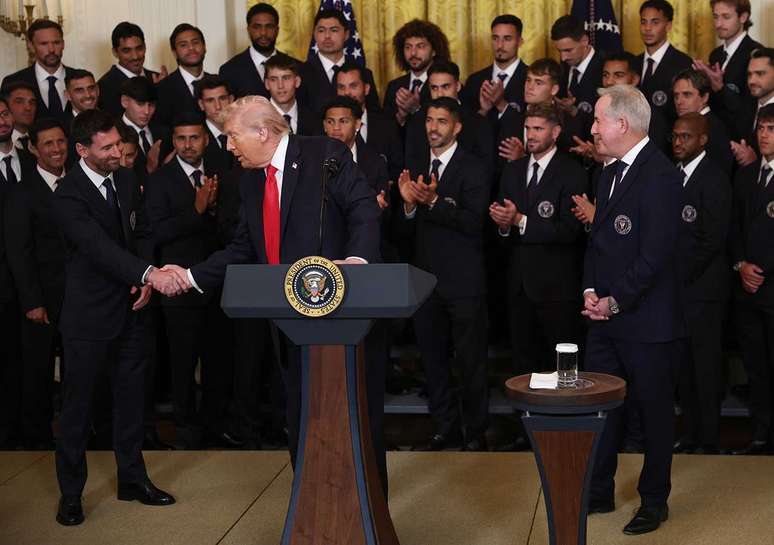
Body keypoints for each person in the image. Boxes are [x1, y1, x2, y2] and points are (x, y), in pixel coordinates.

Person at [153, 96, 382, 485]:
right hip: (287, 320)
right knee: (299, 414)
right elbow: (244, 247)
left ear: (262, 132)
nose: (228, 146)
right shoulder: (250, 181)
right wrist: (189, 276)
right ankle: (310, 504)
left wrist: (356, 264)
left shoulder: (324, 155)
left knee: (350, 418)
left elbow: (364, 210)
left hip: (341, 313)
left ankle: (364, 509)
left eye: (232, 136)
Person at [51, 109, 180, 526]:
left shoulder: (126, 177)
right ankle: (71, 494)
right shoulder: (67, 194)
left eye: (118, 144)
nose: (117, 153)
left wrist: (142, 278)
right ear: (82, 150)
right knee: (78, 409)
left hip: (131, 310)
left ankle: (132, 479)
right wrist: (148, 274)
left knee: (131, 401)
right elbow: (95, 247)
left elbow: (139, 232)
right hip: (88, 318)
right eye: (106, 148)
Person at [582, 84, 684, 535]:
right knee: (603, 406)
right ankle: (599, 490)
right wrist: (590, 291)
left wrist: (614, 300)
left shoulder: (659, 174)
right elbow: (598, 244)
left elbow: (655, 256)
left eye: (598, 120)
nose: (592, 129)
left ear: (621, 124)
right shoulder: (609, 172)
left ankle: (654, 501)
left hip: (646, 322)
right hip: (604, 321)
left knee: (653, 412)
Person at [396, 97, 489, 452]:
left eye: (441, 121)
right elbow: (402, 233)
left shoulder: (474, 167)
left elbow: (472, 222)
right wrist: (406, 204)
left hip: (464, 281)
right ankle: (444, 429)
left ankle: (475, 432)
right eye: (429, 120)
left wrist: (433, 203)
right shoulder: (415, 165)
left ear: (457, 127)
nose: (433, 127)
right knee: (432, 361)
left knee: (470, 362)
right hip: (424, 282)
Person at [144, 113, 239, 449]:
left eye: (194, 138)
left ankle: (215, 426)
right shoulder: (159, 180)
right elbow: (155, 232)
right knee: (182, 362)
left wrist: (212, 212)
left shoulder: (223, 174)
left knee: (219, 359)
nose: (187, 145)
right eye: (181, 138)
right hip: (178, 288)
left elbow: (233, 229)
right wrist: (196, 210)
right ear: (173, 141)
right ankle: (185, 430)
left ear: (206, 139)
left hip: (217, 284)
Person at [490, 102, 587, 377]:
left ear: (555, 132)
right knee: (523, 366)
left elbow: (570, 231)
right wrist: (503, 225)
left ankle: (561, 421)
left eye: (538, 129)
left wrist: (520, 221)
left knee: (559, 367)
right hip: (519, 287)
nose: (530, 135)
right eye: (527, 128)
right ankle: (526, 420)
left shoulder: (573, 172)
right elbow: (503, 232)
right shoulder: (513, 170)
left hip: (557, 290)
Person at [4, 118, 68, 450]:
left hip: (80, 299)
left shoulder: (80, 184)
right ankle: (36, 440)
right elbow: (19, 251)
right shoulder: (22, 192)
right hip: (41, 300)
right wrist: (32, 301)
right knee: (37, 374)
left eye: (60, 142)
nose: (56, 149)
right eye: (48, 144)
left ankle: (79, 434)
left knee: (80, 372)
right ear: (32, 149)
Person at [670, 113, 731, 455]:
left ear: (703, 140)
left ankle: (708, 439)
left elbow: (713, 240)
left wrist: (677, 275)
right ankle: (691, 434)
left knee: (705, 367)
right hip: (677, 292)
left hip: (704, 291)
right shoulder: (671, 175)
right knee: (685, 368)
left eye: (686, 137)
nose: (679, 142)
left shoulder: (714, 179)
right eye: (676, 136)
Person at [729, 103, 774, 455]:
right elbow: (733, 229)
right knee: (755, 366)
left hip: (771, 285)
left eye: (772, 129)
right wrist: (741, 264)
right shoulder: (745, 175)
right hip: (747, 290)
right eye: (761, 128)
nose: (764, 135)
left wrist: (763, 271)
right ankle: (761, 432)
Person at [405, 61, 494, 173]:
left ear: (457, 86)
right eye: (434, 88)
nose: (440, 94)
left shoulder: (477, 122)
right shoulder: (418, 120)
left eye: (445, 87)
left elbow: (484, 169)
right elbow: (411, 164)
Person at [693, 0, 761, 138]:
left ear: (743, 17)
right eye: (715, 17)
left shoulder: (756, 54)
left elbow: (751, 108)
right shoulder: (716, 54)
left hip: (741, 139)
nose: (718, 24)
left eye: (726, 17)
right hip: (713, 134)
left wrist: (720, 88)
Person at [298, 8, 380, 116]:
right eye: (321, 30)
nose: (327, 36)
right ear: (314, 34)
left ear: (346, 35)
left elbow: (374, 116)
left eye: (334, 30)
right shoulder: (299, 73)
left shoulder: (364, 73)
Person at [335, 61, 404, 181]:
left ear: (366, 89)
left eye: (353, 86)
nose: (347, 93)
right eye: (341, 87)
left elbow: (397, 170)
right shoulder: (328, 128)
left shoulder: (387, 125)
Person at [219, 2, 301, 99]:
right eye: (257, 27)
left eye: (269, 26)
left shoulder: (297, 66)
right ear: (248, 30)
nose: (263, 33)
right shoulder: (230, 70)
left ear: (277, 30)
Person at [1, 19, 75, 122]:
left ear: (63, 44)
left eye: (56, 43)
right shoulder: (14, 81)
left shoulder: (79, 78)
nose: (51, 49)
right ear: (31, 46)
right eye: (44, 44)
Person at [461, 14, 528, 123]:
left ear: (520, 42)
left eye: (507, 39)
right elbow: (467, 126)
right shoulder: (474, 81)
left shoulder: (532, 79)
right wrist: (483, 111)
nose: (500, 45)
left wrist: (500, 104)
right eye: (495, 38)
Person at [384, 19, 449, 126]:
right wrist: (401, 116)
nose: (413, 53)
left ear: (434, 50)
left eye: (420, 46)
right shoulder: (394, 87)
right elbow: (386, 133)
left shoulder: (444, 84)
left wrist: (416, 109)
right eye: (408, 47)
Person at [634, 0, 693, 120]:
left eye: (655, 22)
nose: (647, 28)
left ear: (668, 25)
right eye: (643, 22)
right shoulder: (634, 63)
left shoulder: (683, 63)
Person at [672, 68, 734, 173]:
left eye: (687, 95)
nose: (679, 101)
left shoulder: (715, 128)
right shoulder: (681, 123)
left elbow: (719, 171)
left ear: (705, 97)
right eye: (676, 96)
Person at [97, 22, 165, 117]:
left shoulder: (159, 79)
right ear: (115, 52)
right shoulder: (105, 86)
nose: (135, 56)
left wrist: (163, 91)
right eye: (126, 51)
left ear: (145, 47)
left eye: (139, 48)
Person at [155, 23, 212, 127]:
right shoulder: (162, 89)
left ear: (204, 47)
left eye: (195, 42)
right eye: (183, 45)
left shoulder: (217, 83)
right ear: (174, 52)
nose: (191, 48)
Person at [120, 77, 171, 182]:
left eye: (151, 105)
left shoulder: (164, 133)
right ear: (124, 101)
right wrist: (150, 168)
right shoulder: (113, 134)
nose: (147, 111)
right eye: (140, 104)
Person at [550, 14, 604, 114]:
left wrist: (574, 111)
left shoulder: (605, 69)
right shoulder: (562, 69)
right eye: (559, 51)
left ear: (584, 41)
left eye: (568, 50)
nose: (563, 58)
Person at [730, 48, 774, 167]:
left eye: (760, 74)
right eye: (749, 74)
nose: (752, 81)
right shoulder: (746, 106)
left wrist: (757, 161)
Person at [264, 55, 322, 136]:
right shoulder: (256, 120)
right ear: (267, 84)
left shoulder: (315, 119)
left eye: (286, 78)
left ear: (297, 81)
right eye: (274, 79)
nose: (280, 86)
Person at [195, 75, 237, 172]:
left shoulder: (245, 133)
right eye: (210, 101)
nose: (218, 106)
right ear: (201, 104)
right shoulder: (195, 138)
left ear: (231, 100)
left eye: (222, 99)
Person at [2, 81, 37, 154]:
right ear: (6, 106)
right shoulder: (3, 141)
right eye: (19, 102)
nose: (28, 107)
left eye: (32, 102)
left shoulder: (39, 139)